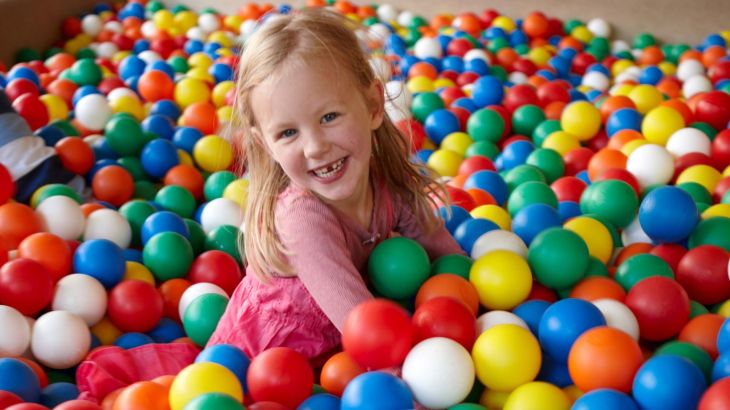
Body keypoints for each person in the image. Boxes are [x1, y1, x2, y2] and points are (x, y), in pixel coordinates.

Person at [206, 8, 464, 364]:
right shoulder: (303, 219)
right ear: (266, 145)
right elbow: (365, 334)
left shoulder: (387, 179)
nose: (315, 147)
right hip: (262, 362)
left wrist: (479, 311)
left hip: (338, 361)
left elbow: (448, 257)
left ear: (373, 105)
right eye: (288, 133)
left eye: (329, 117)